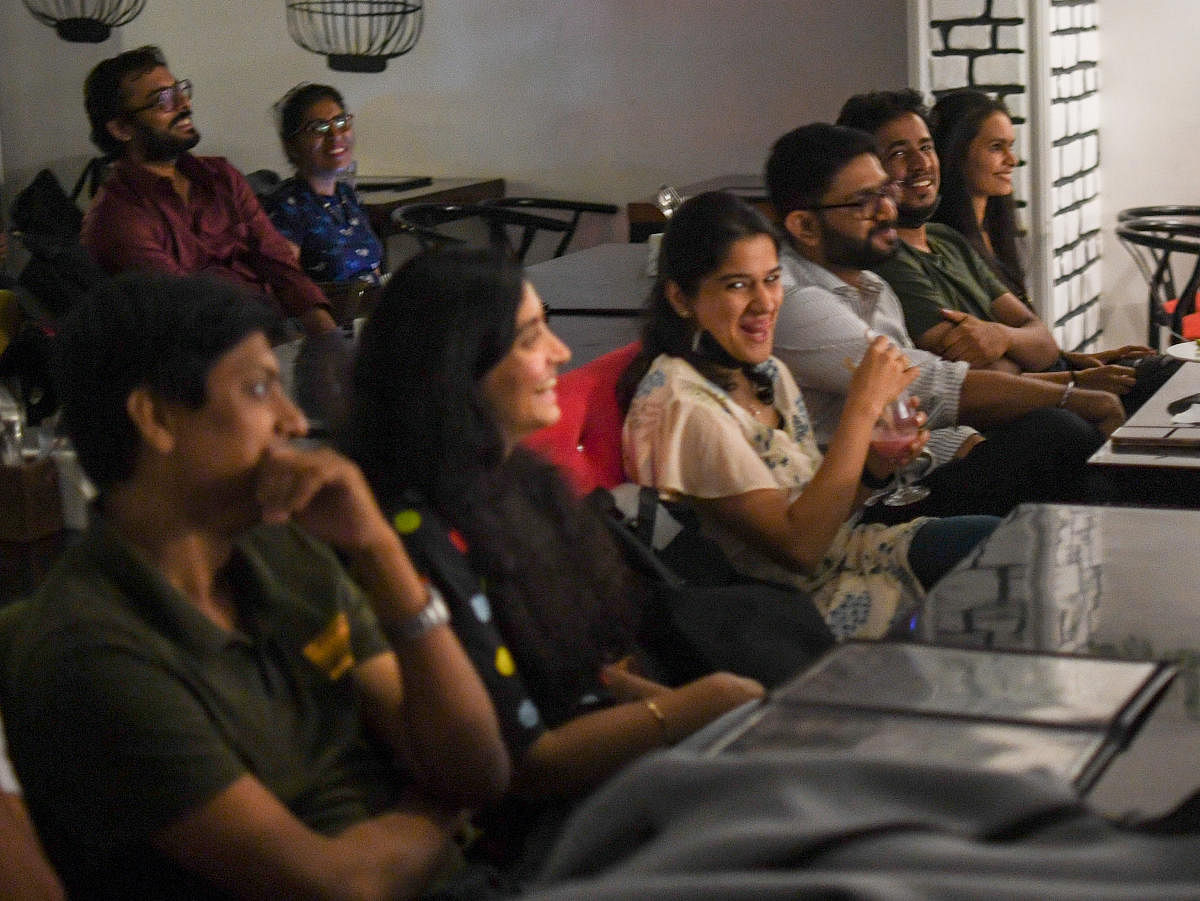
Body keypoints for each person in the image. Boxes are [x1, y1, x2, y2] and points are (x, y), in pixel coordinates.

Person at [1, 272, 510, 899]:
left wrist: (380, 551)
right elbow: (333, 886)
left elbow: (478, 768)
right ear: (156, 418)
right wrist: (442, 818)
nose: (295, 422)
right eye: (259, 389)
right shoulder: (92, 650)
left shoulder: (285, 550)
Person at [343, 246, 764, 874]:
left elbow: (594, 675)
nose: (561, 353)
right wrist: (691, 707)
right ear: (459, 366)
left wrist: (689, 715)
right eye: (529, 337)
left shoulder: (522, 484)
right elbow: (527, 765)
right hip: (538, 838)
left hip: (613, 778)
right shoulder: (413, 534)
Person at [620, 191, 999, 641]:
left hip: (851, 556)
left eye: (773, 279)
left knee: (1003, 544)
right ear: (682, 298)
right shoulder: (684, 406)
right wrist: (861, 409)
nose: (765, 303)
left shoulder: (766, 372)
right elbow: (800, 549)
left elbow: (822, 511)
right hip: (786, 611)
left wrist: (876, 466)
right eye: (738, 285)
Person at [764, 122, 1123, 519]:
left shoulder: (872, 283)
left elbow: (921, 412)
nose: (887, 210)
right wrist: (1071, 392)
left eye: (886, 191)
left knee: (1074, 445)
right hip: (852, 508)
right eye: (865, 201)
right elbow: (933, 388)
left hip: (913, 469)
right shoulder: (793, 301)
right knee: (1060, 433)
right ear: (805, 226)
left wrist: (1065, 390)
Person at [836, 89, 1143, 397]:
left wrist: (1005, 339)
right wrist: (1068, 373)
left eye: (926, 148)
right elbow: (981, 372)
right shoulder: (889, 259)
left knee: (1153, 370)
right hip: (1017, 409)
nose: (920, 163)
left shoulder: (947, 238)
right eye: (899, 154)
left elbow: (1043, 343)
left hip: (1044, 387)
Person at [926, 88, 1175, 412]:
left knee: (1162, 368)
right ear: (956, 154)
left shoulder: (997, 234)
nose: (1011, 161)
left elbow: (1029, 343)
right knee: (1165, 376)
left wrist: (1086, 360)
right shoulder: (945, 246)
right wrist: (1076, 376)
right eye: (995, 148)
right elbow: (992, 367)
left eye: (1011, 147)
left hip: (1052, 374)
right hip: (1025, 398)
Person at [81, 46, 337, 337]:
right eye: (163, 100)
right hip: (206, 361)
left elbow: (277, 260)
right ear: (122, 129)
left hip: (273, 332)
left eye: (180, 90)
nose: (185, 104)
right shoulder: (116, 216)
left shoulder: (219, 176)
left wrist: (328, 337)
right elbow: (186, 312)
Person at [265, 84, 384, 294]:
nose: (335, 135)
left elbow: (372, 268)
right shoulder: (285, 208)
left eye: (341, 122)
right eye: (318, 127)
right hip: (329, 322)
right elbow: (286, 289)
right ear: (291, 145)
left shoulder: (347, 196)